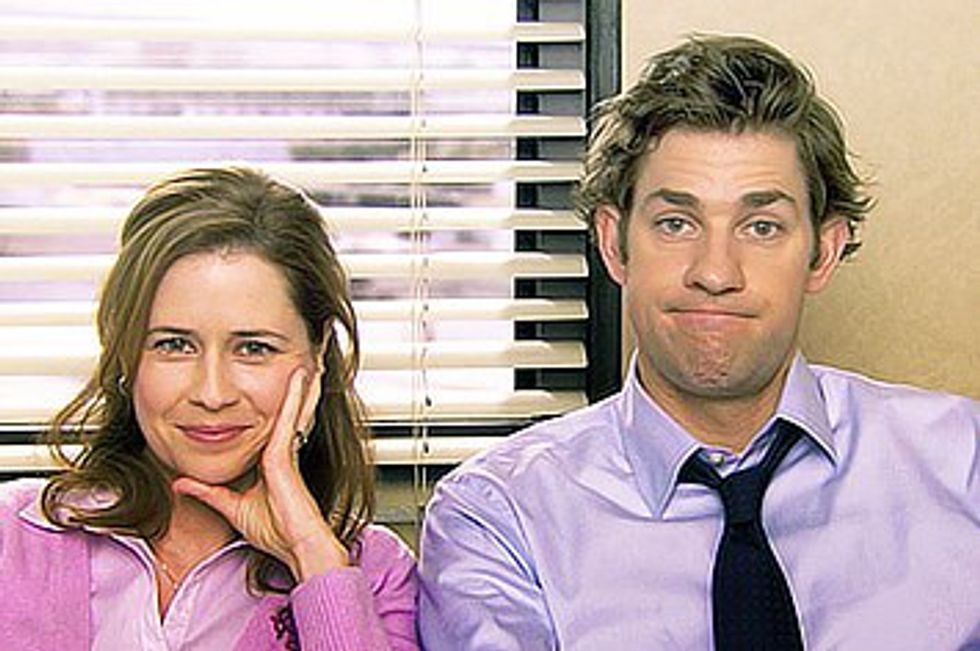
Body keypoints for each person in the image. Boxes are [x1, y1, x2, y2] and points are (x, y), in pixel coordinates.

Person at [418, 34, 980, 649]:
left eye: (761, 227)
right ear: (613, 244)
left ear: (823, 252)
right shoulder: (499, 518)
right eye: (676, 223)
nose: (715, 272)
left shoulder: (963, 462)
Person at [0, 166, 418, 650]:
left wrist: (312, 557)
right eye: (174, 345)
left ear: (317, 355)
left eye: (254, 348)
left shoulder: (374, 575)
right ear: (125, 351)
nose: (212, 393)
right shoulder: (12, 536)